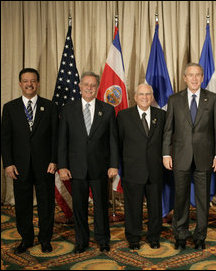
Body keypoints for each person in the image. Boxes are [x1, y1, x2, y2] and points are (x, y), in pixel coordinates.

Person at [163, 63, 216, 250]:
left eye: (198, 75)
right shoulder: (174, 99)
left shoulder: (212, 98)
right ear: (184, 78)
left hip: (204, 157)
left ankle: (200, 236)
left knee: (202, 200)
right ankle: (180, 234)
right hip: (180, 156)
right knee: (180, 198)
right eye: (191, 75)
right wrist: (166, 153)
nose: (195, 78)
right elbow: (168, 130)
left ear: (203, 77)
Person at [57, 71, 119, 253]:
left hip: (100, 168)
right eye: (86, 84)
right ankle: (81, 241)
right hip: (76, 169)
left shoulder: (107, 110)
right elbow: (63, 141)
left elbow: (113, 141)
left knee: (101, 207)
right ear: (80, 86)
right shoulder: (68, 110)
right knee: (79, 208)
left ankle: (102, 239)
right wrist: (62, 166)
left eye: (93, 85)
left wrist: (113, 164)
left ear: (97, 87)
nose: (89, 88)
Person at [1, 68, 58, 254]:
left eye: (33, 81)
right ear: (20, 83)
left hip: (45, 166)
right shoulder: (9, 108)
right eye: (25, 81)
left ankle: (45, 239)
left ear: (38, 83)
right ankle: (26, 239)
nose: (29, 84)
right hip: (19, 166)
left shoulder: (49, 106)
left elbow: (55, 137)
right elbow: (6, 138)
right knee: (23, 204)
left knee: (46, 204)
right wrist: (8, 163)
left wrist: (54, 160)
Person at [117, 84, 165, 250]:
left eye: (148, 94)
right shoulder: (123, 116)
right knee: (133, 207)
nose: (145, 97)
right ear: (135, 97)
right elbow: (118, 143)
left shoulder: (162, 115)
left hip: (155, 170)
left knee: (155, 207)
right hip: (133, 170)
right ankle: (134, 237)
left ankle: (154, 237)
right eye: (141, 94)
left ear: (152, 97)